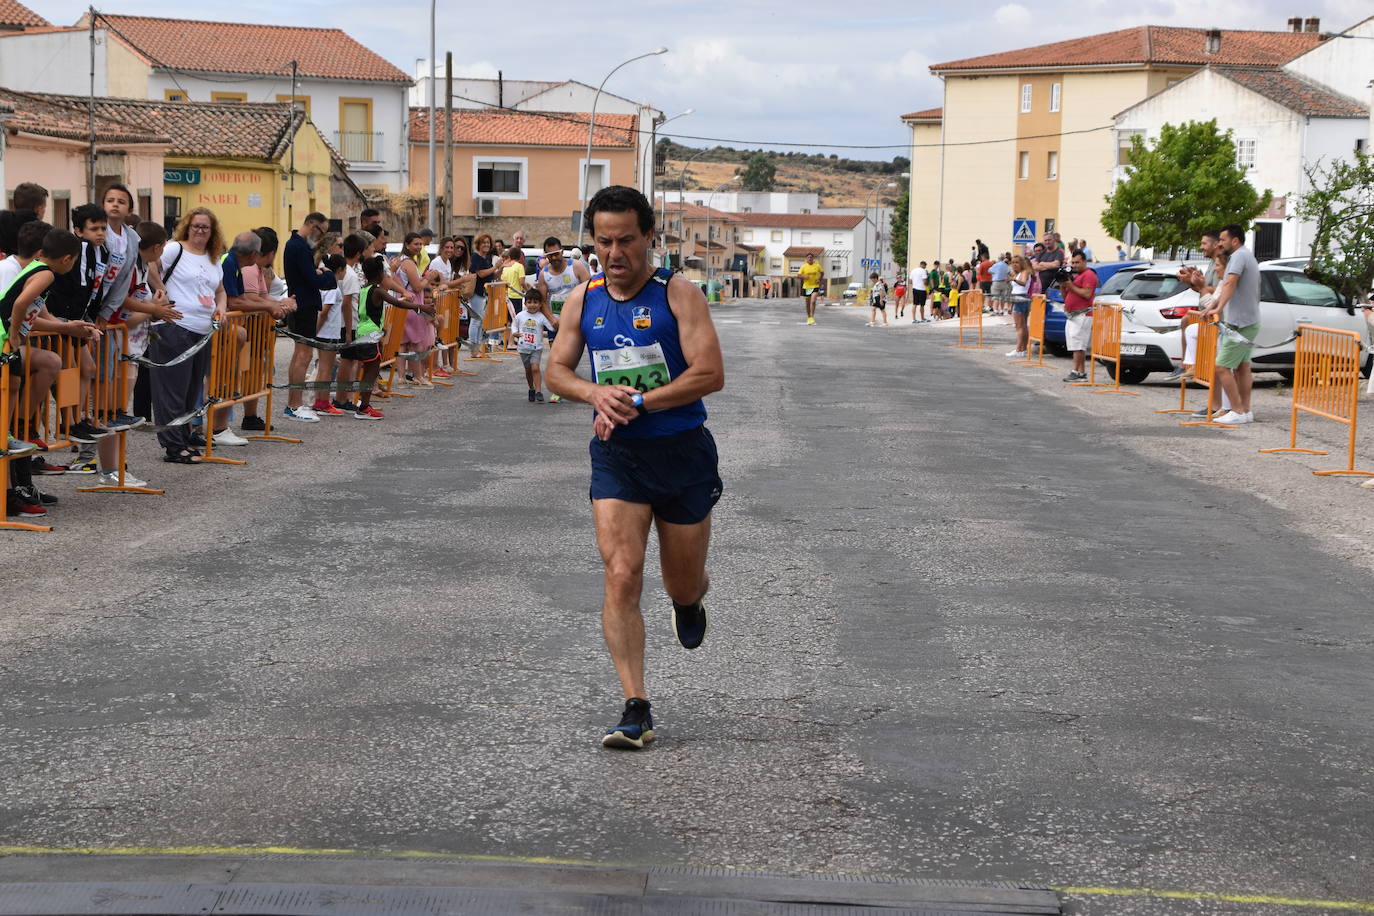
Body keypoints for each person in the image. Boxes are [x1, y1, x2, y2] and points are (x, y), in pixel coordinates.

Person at [546, 186, 725, 751]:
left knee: (681, 577)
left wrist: (639, 401)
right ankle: (635, 707)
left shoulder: (679, 295)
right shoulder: (581, 298)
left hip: (681, 452)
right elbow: (556, 370)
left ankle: (689, 599)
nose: (615, 252)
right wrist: (596, 393)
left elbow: (709, 374)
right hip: (619, 457)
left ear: (650, 236)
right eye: (604, 241)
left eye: (626, 240)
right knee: (622, 572)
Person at [1, 226, 79, 516]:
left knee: (18, 380)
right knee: (13, 382)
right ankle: (8, 432)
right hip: (3, 339)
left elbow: (30, 312)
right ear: (67, 259)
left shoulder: (34, 267)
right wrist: (14, 333)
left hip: (6, 338)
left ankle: (11, 430)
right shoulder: (45, 273)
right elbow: (20, 303)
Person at [153, 207, 227, 463]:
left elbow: (220, 290)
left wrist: (221, 307)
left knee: (191, 390)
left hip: (202, 331)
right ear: (187, 226)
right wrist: (161, 292)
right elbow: (150, 264)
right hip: (175, 328)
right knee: (172, 390)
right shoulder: (175, 249)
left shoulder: (213, 258)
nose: (200, 231)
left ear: (212, 231)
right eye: (195, 226)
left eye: (205, 227)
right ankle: (173, 445)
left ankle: (183, 438)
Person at [1202, 224, 1261, 425]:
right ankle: (1245, 410)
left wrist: (1217, 309)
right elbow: (1227, 286)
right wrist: (1214, 306)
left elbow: (1230, 283)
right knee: (1243, 367)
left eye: (1223, 240)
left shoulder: (1238, 257)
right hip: (1248, 321)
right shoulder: (1245, 255)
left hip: (1240, 323)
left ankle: (1236, 410)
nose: (1220, 243)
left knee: (1222, 367)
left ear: (1235, 240)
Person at [281, 212, 336, 421]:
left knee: (300, 356)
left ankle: (294, 403)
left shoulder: (296, 245)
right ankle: (295, 404)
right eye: (322, 232)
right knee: (303, 356)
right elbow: (313, 279)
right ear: (313, 226)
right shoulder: (299, 246)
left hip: (302, 303)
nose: (322, 237)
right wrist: (329, 274)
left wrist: (319, 275)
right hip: (304, 305)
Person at [511, 286, 557, 401]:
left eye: (535, 302)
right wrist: (515, 333)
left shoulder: (541, 317)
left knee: (535, 368)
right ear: (525, 303)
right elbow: (514, 324)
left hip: (536, 348)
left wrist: (558, 325)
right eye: (529, 302)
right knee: (528, 370)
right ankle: (531, 388)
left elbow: (551, 327)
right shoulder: (520, 315)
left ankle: (538, 391)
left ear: (541, 304)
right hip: (523, 348)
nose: (532, 305)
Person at [1060, 250, 1097, 382]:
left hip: (1083, 314)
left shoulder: (1089, 275)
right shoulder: (1076, 276)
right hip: (1072, 315)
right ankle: (1081, 373)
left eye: (1077, 262)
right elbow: (1066, 297)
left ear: (1084, 262)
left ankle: (1075, 371)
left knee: (1078, 344)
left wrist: (1071, 285)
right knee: (1075, 344)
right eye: (1073, 262)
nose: (1075, 265)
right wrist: (1063, 285)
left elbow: (1087, 294)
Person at [465, 234, 500, 356]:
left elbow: (492, 275)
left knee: (480, 321)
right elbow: (480, 274)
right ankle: (474, 349)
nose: (486, 245)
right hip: (476, 292)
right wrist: (495, 267)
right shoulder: (476, 257)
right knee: (476, 320)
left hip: (484, 293)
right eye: (484, 242)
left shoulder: (487, 258)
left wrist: (500, 268)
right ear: (478, 244)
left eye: (488, 243)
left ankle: (477, 348)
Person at [1007, 254, 1033, 358]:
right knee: (1023, 325)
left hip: (1020, 298)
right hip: (1018, 298)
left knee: (1019, 326)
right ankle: (1022, 349)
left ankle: (1019, 349)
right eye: (1013, 262)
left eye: (1017, 262)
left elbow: (1023, 282)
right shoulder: (1017, 273)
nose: (1014, 265)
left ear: (1021, 263)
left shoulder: (1024, 272)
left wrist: (1013, 280)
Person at [799, 252, 823, 325]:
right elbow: (798, 275)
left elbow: (822, 273)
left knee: (813, 301)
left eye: (811, 257)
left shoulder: (817, 266)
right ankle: (809, 317)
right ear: (806, 259)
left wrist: (819, 279)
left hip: (815, 286)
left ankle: (812, 317)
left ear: (813, 258)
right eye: (808, 257)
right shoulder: (803, 267)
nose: (810, 258)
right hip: (806, 287)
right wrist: (804, 276)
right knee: (807, 303)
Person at [989, 252, 1012, 318]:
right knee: (1002, 297)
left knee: (996, 296)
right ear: (1004, 258)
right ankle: (1001, 310)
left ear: (998, 258)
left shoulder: (996, 265)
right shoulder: (1006, 265)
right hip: (1004, 282)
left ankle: (996, 310)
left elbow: (989, 270)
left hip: (996, 282)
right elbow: (1009, 272)